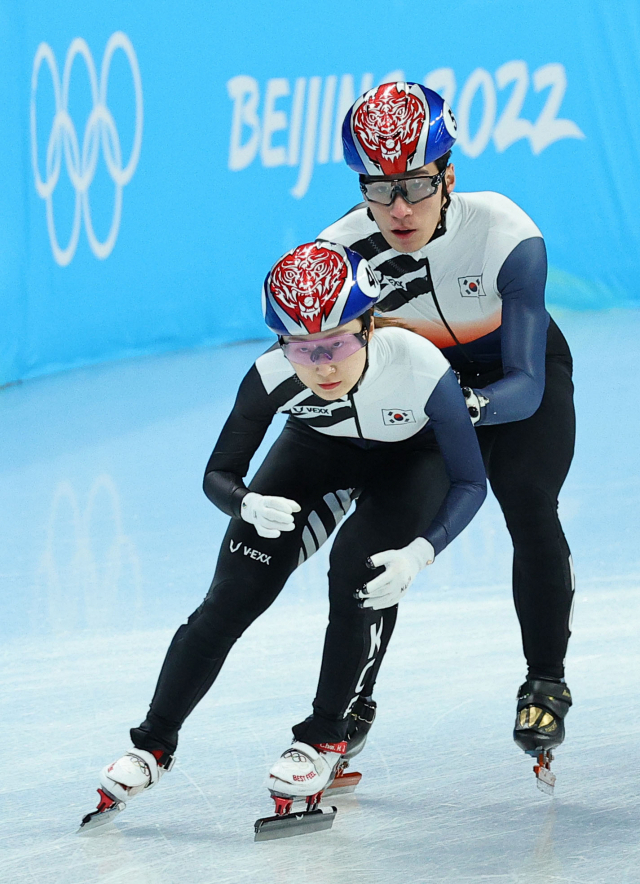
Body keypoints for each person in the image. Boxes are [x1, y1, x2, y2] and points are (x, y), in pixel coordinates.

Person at [81, 241, 486, 832]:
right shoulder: (272, 374)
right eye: (303, 348)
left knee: (357, 571)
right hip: (315, 453)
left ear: (369, 327)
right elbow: (216, 474)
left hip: (411, 461)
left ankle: (325, 737)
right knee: (231, 595)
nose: (322, 365)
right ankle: (153, 744)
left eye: (339, 344)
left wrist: (423, 551)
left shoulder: (419, 366)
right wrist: (245, 502)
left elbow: (471, 481)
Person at [317, 81, 575, 762]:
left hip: (515, 378)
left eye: (417, 187)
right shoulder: (339, 255)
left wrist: (469, 408)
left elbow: (523, 383)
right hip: (424, 386)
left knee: (526, 496)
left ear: (448, 175)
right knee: (383, 526)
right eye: (380, 188)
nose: (399, 209)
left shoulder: (505, 233)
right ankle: (350, 701)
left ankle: (545, 681)